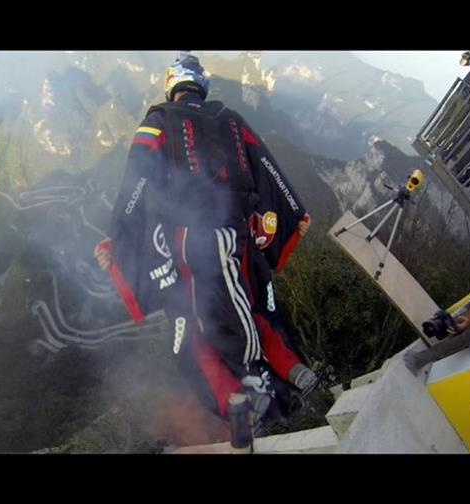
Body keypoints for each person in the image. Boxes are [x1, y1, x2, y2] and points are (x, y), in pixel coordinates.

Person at [94, 52, 317, 431]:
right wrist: (292, 212)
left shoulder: (159, 121)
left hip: (192, 240)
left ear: (171, 85)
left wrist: (119, 235)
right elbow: (267, 167)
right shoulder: (231, 119)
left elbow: (136, 181)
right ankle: (293, 373)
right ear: (201, 84)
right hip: (242, 238)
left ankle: (247, 402)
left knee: (196, 329)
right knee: (252, 310)